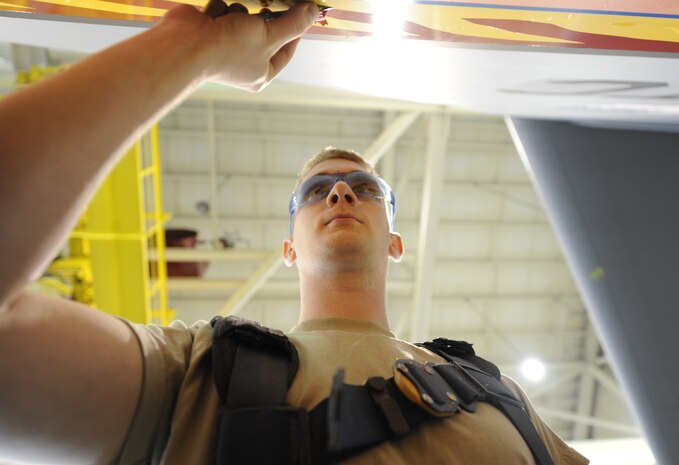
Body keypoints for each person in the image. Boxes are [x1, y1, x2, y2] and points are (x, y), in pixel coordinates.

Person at [0, 2, 588, 464]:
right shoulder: (202, 377)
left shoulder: (500, 398)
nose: (339, 193)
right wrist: (196, 46)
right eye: (315, 192)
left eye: (364, 187)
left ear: (395, 240)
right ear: (287, 248)